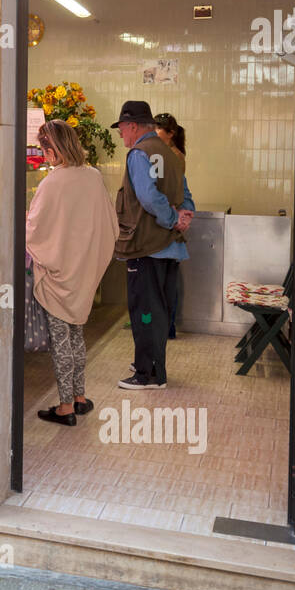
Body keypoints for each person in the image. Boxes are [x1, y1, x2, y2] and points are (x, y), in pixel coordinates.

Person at [26, 120, 117, 425]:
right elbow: (109, 224)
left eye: (44, 148)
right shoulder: (92, 176)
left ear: (54, 148)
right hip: (84, 270)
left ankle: (65, 406)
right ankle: (79, 397)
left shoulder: (53, 182)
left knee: (60, 339)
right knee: (77, 332)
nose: (44, 154)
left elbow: (34, 228)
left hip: (58, 274)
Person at [111, 101, 195, 390]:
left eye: (122, 130)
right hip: (171, 247)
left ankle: (146, 374)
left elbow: (147, 197)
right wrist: (184, 216)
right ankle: (153, 366)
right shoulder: (170, 155)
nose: (121, 136)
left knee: (145, 310)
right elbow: (185, 193)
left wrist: (172, 218)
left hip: (146, 246)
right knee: (158, 310)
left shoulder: (139, 153)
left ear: (133, 126)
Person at [153, 112, 187, 338]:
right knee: (166, 283)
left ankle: (165, 326)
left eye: (157, 133)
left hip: (167, 223)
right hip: (170, 222)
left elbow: (159, 192)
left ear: (170, 134)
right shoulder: (170, 154)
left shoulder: (171, 156)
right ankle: (166, 326)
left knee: (163, 286)